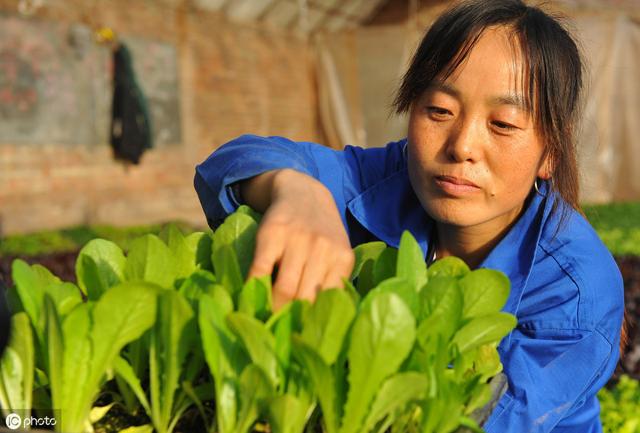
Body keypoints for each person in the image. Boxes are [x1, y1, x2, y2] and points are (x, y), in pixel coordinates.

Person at [193, 0, 625, 431]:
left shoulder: (577, 292)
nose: (462, 146)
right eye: (440, 110)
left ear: (550, 152)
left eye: (503, 124)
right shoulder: (393, 175)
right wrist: (296, 191)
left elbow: (474, 421)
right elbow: (234, 161)